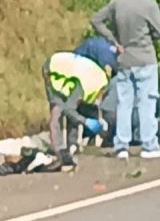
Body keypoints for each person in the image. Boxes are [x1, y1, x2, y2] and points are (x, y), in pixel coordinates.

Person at [91, 0, 160, 160]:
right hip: (145, 58)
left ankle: (121, 146)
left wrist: (113, 40)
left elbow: (96, 20)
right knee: (147, 101)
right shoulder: (149, 5)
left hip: (124, 58)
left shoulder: (117, 2)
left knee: (124, 103)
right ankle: (149, 145)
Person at [43, 38, 117, 171]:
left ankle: (72, 144)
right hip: (53, 68)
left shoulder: (100, 80)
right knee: (58, 110)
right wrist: (86, 121)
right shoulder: (85, 85)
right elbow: (68, 110)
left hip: (72, 73)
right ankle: (59, 151)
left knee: (75, 107)